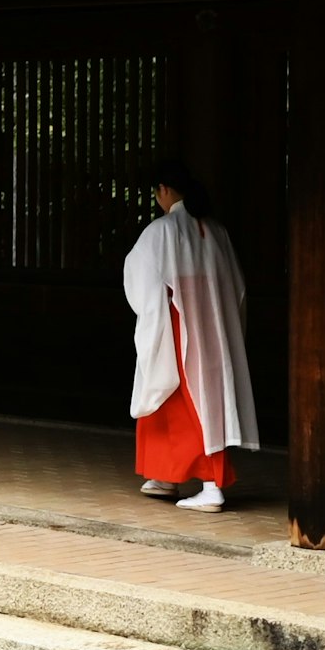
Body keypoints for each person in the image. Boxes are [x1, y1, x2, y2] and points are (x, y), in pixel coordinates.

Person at [123, 164, 256, 511]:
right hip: (213, 328)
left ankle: (212, 487)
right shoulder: (216, 231)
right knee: (195, 402)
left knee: (187, 405)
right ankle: (165, 475)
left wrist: (155, 317)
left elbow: (142, 279)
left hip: (177, 326)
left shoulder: (162, 230)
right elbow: (237, 287)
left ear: (164, 190)